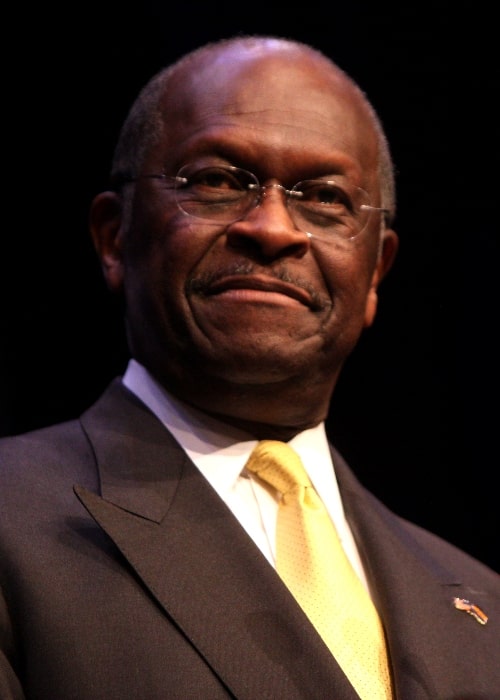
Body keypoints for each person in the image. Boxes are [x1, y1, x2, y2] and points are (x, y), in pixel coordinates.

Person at [0, 34, 498, 700]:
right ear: (115, 237)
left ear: (376, 271)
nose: (272, 228)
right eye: (218, 181)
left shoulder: (482, 604)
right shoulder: (12, 520)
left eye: (323, 197)